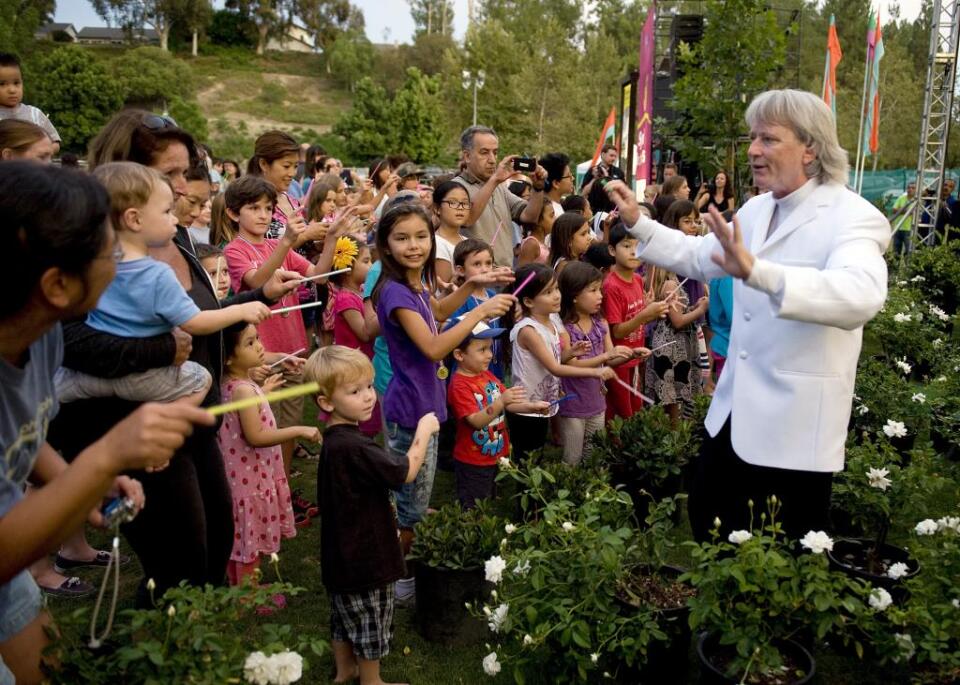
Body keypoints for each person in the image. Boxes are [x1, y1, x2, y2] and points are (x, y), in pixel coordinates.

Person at [603, 88, 890, 541]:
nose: (754, 149)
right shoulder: (757, 210)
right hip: (732, 415)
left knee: (781, 558)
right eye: (753, 137)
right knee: (710, 528)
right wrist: (639, 221)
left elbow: (861, 296)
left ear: (811, 149)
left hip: (794, 433)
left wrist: (761, 273)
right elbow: (700, 256)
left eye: (769, 139)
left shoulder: (853, 217)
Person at [48, 110, 303, 607]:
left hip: (195, 420)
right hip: (134, 427)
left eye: (187, 172)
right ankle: (159, 657)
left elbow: (193, 316)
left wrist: (259, 297)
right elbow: (68, 340)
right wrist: (162, 348)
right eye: (170, 175)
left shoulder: (177, 238)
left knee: (214, 548)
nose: (185, 188)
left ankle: (188, 649)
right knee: (178, 568)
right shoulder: (88, 251)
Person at [0, 161, 211, 685]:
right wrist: (103, 458)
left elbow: (26, 433)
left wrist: (80, 484)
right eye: (105, 252)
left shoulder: (42, 334)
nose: (118, 264)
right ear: (57, 284)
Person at [370, 203, 514, 601]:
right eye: (402, 238)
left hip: (424, 406)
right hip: (410, 412)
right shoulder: (395, 291)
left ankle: (402, 562)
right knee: (410, 501)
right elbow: (434, 347)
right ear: (385, 245)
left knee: (417, 494)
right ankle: (400, 582)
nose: (414, 246)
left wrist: (470, 287)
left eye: (420, 236)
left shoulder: (416, 284)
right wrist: (479, 313)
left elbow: (435, 312)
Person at [54, 162, 271, 406]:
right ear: (135, 219)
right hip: (145, 376)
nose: (174, 218)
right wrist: (241, 310)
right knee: (202, 379)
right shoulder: (157, 275)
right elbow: (195, 322)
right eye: (167, 211)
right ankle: (171, 421)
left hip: (88, 376)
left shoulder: (95, 264)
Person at [305, 345, 440, 685]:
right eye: (354, 391)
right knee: (370, 620)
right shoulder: (356, 447)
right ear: (326, 402)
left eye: (368, 386)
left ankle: (344, 669)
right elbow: (404, 472)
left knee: (343, 616)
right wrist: (423, 431)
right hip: (366, 558)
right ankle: (372, 680)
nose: (368, 397)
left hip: (341, 556)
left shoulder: (335, 441)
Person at [217, 323, 316, 585]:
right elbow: (256, 436)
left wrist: (263, 392)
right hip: (250, 479)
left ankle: (238, 585)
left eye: (258, 338)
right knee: (249, 538)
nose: (260, 346)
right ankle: (248, 597)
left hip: (240, 477)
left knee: (240, 536)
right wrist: (298, 429)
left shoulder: (234, 384)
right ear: (228, 356)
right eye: (250, 343)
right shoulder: (243, 389)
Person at [506, 263, 614, 463]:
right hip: (525, 407)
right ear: (529, 301)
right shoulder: (529, 330)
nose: (556, 295)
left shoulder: (552, 324)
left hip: (541, 403)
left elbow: (555, 360)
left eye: (556, 289)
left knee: (536, 459)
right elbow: (555, 368)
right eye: (548, 292)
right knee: (528, 464)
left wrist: (570, 352)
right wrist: (596, 372)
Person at [446, 320, 544, 507]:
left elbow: (508, 404)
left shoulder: (486, 376)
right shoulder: (459, 385)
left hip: (494, 455)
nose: (490, 355)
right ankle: (473, 534)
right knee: (474, 507)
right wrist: (500, 401)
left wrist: (532, 407)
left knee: (487, 500)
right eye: (482, 350)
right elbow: (475, 421)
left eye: (490, 348)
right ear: (459, 354)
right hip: (473, 460)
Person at [556, 262, 641, 465]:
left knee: (593, 454)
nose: (600, 296)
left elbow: (610, 356)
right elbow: (571, 365)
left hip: (596, 401)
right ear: (574, 296)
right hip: (573, 401)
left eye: (600, 290)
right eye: (593, 291)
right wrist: (604, 359)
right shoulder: (564, 328)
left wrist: (631, 354)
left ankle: (590, 492)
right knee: (572, 457)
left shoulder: (600, 323)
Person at [602, 222, 669, 420]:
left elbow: (635, 314)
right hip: (619, 361)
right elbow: (617, 332)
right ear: (612, 250)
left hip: (636, 355)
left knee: (635, 407)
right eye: (626, 246)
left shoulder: (638, 280)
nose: (634, 252)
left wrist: (652, 307)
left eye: (638, 246)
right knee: (621, 413)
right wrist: (645, 315)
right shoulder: (611, 286)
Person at [455, 125, 548, 267]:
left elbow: (529, 216)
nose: (492, 160)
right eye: (484, 152)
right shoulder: (455, 187)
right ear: (467, 156)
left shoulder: (499, 187)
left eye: (495, 152)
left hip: (504, 274)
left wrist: (538, 187)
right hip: (476, 277)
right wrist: (495, 180)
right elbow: (467, 219)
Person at [331, 237, 381, 437]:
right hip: (353, 365)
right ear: (348, 268)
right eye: (366, 261)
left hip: (365, 362)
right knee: (360, 421)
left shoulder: (360, 292)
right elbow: (365, 332)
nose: (371, 266)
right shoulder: (345, 298)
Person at [450, 239, 506, 380]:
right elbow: (451, 332)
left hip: (492, 365)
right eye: (477, 264)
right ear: (460, 270)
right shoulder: (459, 298)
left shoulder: (492, 295)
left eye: (488, 263)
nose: (485, 269)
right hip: (467, 371)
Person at [0, 53, 60, 152]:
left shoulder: (35, 115)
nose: (12, 90)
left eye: (16, 83)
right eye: (2, 84)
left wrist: (39, 152)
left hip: (32, 166)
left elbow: (55, 143)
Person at [432, 180, 471, 287]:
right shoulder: (436, 244)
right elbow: (444, 290)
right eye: (452, 202)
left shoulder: (466, 241)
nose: (460, 207)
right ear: (437, 208)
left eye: (465, 203)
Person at [581, 145, 624, 214]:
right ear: (603, 154)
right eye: (611, 155)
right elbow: (584, 193)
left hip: (612, 211)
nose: (613, 158)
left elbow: (622, 193)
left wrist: (605, 178)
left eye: (615, 156)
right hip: (594, 211)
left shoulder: (618, 172)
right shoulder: (592, 171)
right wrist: (595, 178)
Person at [708, 275, 734, 380]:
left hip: (725, 340)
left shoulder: (721, 275)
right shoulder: (727, 277)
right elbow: (733, 315)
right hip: (727, 342)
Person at [517, 201, 555, 266]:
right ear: (537, 220)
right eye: (551, 216)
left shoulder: (542, 243)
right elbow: (523, 273)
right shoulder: (531, 244)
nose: (555, 219)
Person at [539, 152, 574, 218]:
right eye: (569, 176)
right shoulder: (553, 214)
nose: (572, 178)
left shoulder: (556, 205)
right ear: (556, 183)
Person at [890, 181, 916, 255]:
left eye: (913, 188)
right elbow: (894, 210)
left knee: (908, 251)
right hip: (898, 227)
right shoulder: (901, 198)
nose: (910, 189)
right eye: (908, 188)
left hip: (909, 229)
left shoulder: (916, 201)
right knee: (896, 251)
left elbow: (913, 212)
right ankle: (895, 266)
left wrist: (901, 210)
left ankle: (907, 266)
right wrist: (907, 211)